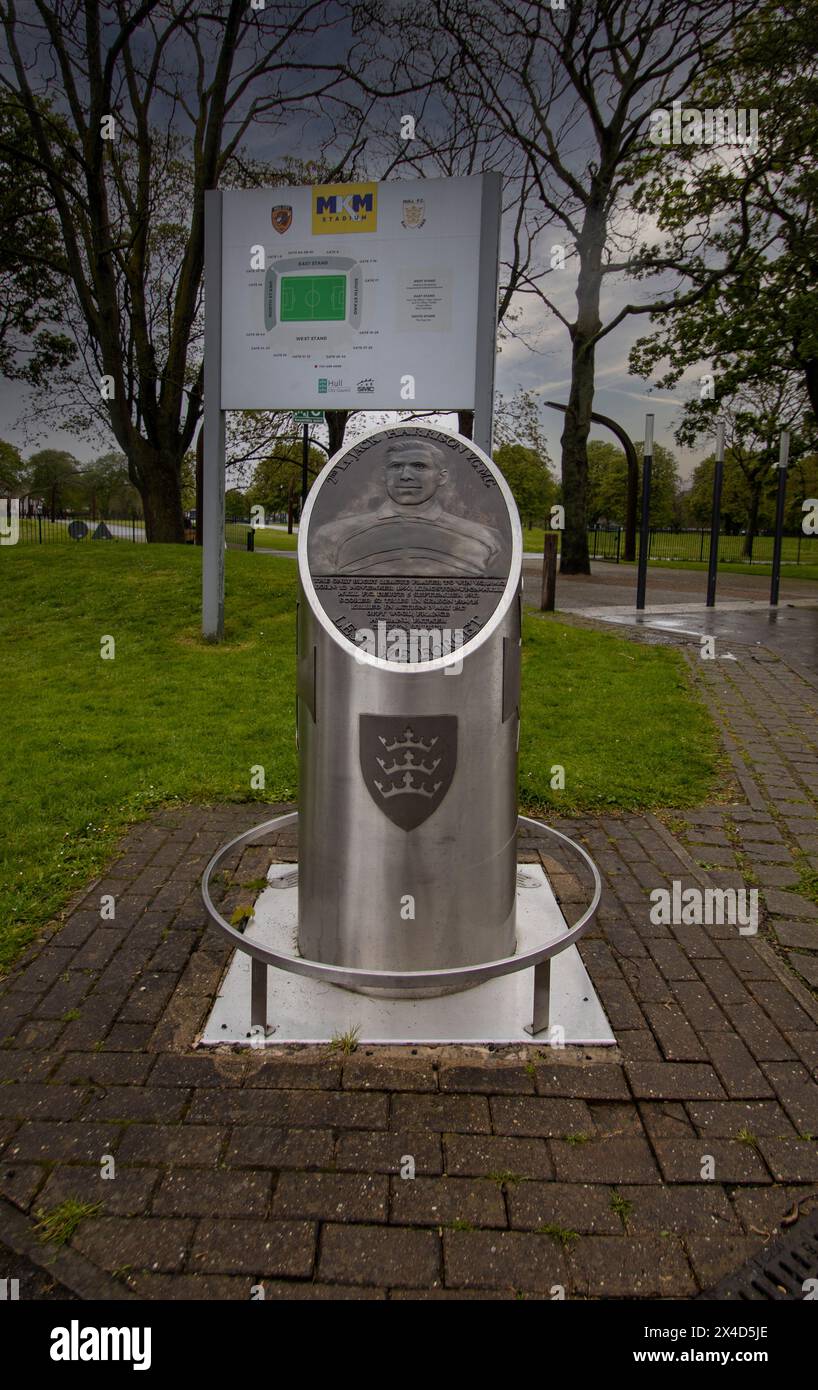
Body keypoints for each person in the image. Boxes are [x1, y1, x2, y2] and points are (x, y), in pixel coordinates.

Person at [309, 439, 505, 576]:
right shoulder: (331, 537)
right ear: (384, 475)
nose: (405, 476)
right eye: (396, 467)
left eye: (419, 466)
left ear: (442, 477)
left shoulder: (486, 541)